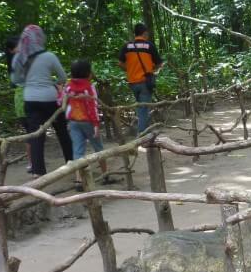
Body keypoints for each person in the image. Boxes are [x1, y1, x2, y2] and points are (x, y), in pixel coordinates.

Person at [10, 24, 73, 176]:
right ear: (40, 37)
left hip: (30, 99)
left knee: (36, 136)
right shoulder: (49, 56)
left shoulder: (19, 57)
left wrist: (28, 82)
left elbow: (15, 79)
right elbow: (63, 77)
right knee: (62, 132)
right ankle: (72, 163)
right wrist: (50, 83)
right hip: (50, 99)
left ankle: (38, 171)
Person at [64, 59, 111, 190]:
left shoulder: (68, 87)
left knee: (78, 150)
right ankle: (105, 174)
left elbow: (64, 103)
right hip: (89, 122)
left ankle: (79, 180)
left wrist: (67, 120)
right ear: (88, 73)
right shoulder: (89, 87)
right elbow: (93, 106)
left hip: (73, 121)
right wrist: (96, 124)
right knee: (98, 148)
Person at [118, 23, 162, 133]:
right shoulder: (149, 46)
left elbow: (120, 63)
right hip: (145, 82)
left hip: (133, 82)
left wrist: (130, 70)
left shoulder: (127, 46)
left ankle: (143, 132)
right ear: (144, 33)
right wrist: (151, 68)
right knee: (143, 109)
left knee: (140, 108)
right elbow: (159, 63)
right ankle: (142, 134)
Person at [5, 36, 31, 173]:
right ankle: (33, 163)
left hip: (24, 97)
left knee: (31, 132)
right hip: (25, 99)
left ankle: (32, 162)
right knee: (31, 132)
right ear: (11, 50)